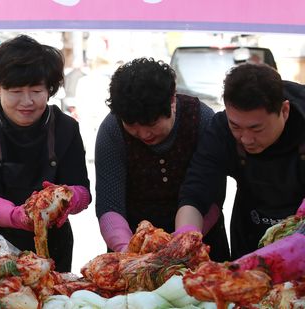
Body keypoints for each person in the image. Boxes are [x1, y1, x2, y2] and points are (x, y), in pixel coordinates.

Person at [0, 35, 91, 272]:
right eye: (15, 91)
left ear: (49, 90)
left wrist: (68, 200)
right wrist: (21, 216)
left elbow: (82, 189)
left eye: (36, 90)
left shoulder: (66, 128)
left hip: (52, 246)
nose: (27, 101)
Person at [95, 58, 230, 262]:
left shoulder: (202, 119)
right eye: (131, 125)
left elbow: (213, 196)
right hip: (132, 246)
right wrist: (127, 251)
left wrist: (184, 242)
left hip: (200, 240)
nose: (143, 134)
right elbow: (109, 204)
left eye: (151, 123)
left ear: (172, 102)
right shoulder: (112, 130)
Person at [176, 63, 305, 259]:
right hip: (249, 239)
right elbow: (196, 192)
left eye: (256, 129)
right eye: (235, 126)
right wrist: (184, 241)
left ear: (284, 111)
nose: (245, 139)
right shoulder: (220, 129)